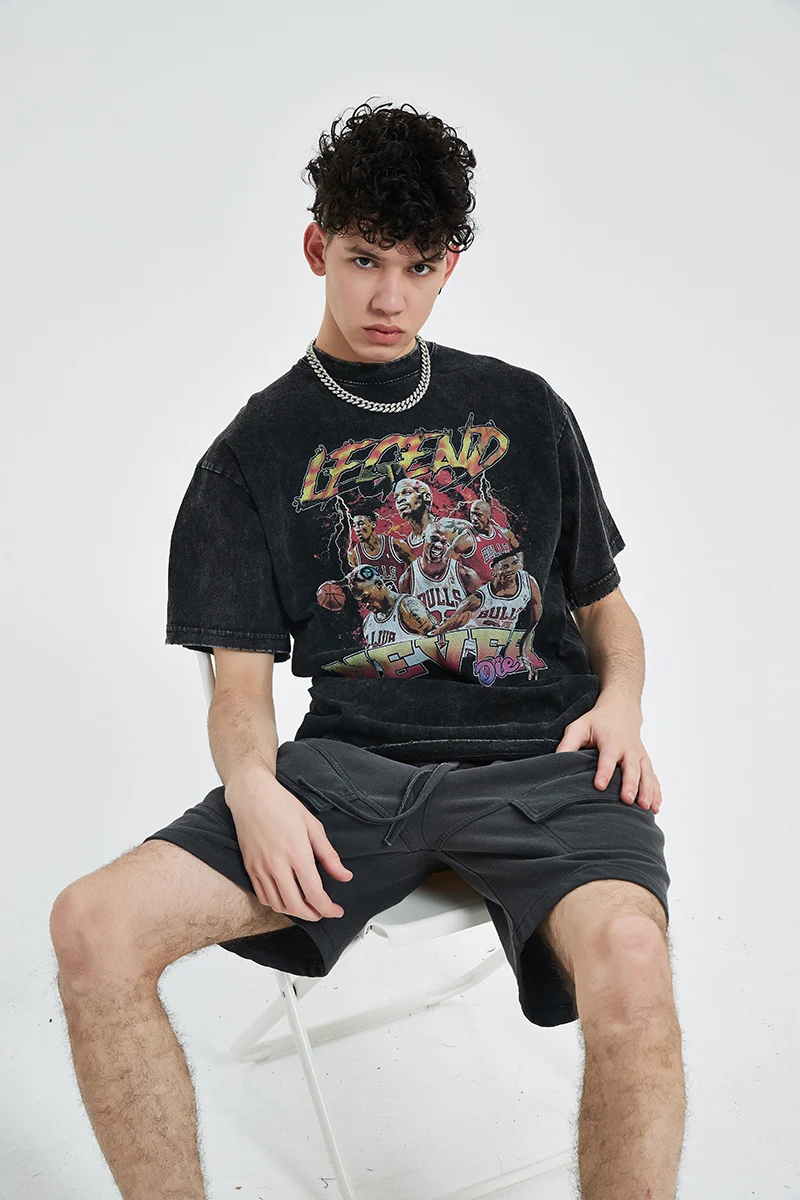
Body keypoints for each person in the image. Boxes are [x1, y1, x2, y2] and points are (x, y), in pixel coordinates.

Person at [49, 98, 686, 1200]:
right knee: (91, 926)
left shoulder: (525, 408)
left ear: (449, 267)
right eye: (362, 260)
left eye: (416, 265)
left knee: (633, 960)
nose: (388, 297)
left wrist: (621, 701)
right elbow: (237, 687)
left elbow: (605, 610)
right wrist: (251, 786)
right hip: (352, 779)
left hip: (542, 764)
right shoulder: (249, 456)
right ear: (316, 249)